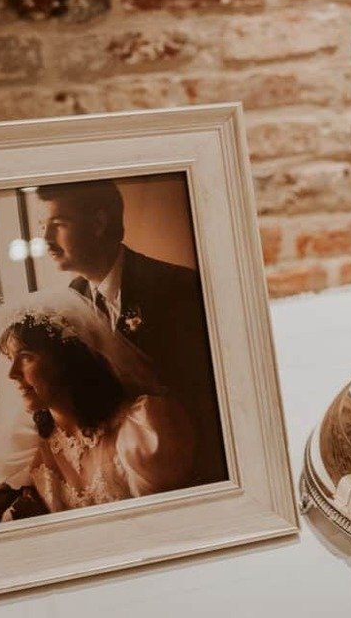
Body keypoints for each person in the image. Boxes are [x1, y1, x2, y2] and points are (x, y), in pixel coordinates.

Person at [35, 180, 226, 487]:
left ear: (98, 223)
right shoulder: (72, 298)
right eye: (42, 225)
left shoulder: (178, 288)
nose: (45, 239)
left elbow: (207, 397)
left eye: (58, 224)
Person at [0, 290, 200, 524]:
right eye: (9, 359)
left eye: (26, 357)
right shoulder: (30, 438)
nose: (11, 374)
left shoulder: (141, 429)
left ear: (66, 360)